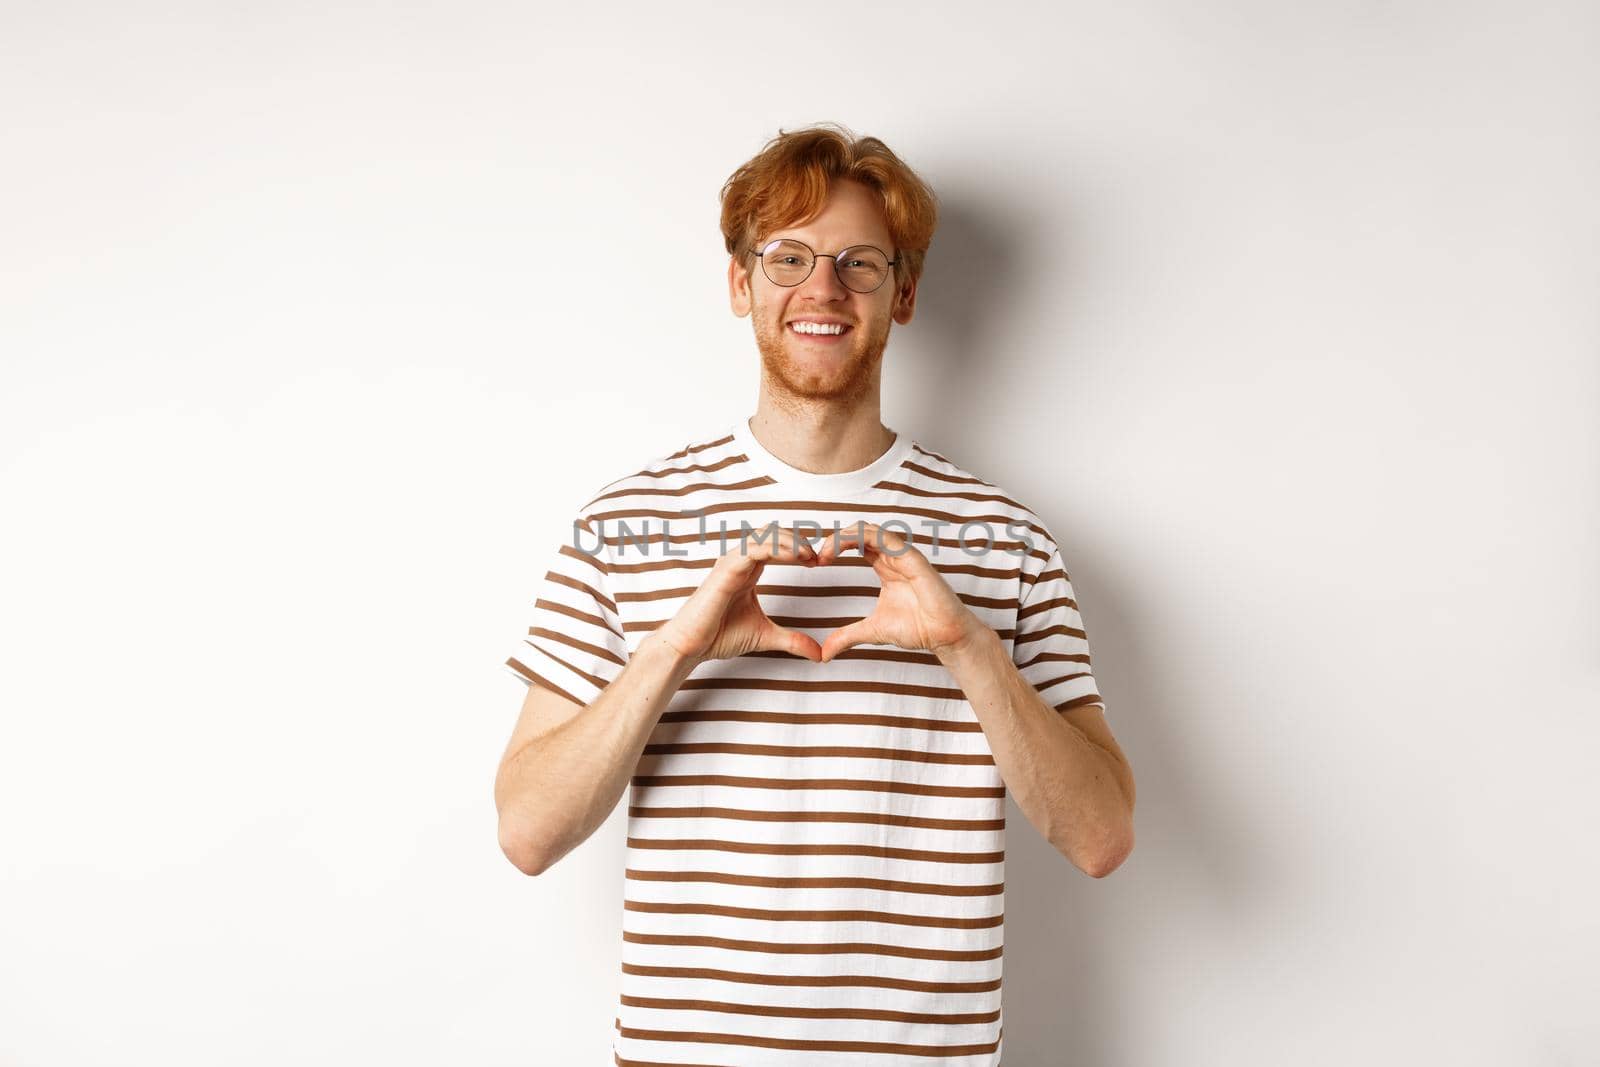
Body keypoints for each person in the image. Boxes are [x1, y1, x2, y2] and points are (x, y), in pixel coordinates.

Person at [493, 122, 1136, 1066]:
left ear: (903, 292)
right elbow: (528, 832)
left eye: (858, 263)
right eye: (787, 256)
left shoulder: (1007, 537)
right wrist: (671, 650)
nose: (821, 289)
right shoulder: (624, 524)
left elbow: (1101, 836)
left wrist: (967, 648)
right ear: (740, 284)